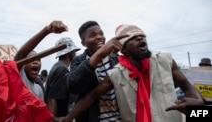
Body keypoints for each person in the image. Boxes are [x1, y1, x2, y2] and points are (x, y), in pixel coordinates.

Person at [60, 24, 205, 122]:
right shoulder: (117, 73)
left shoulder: (165, 61)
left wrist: (198, 109)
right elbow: (91, 96)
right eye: (133, 38)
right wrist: (68, 118)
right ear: (123, 50)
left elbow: (188, 89)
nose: (140, 38)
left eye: (142, 35)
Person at [65, 21, 128, 122]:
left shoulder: (116, 58)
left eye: (101, 34)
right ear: (83, 43)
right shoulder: (78, 61)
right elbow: (73, 86)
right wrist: (99, 54)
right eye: (92, 35)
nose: (99, 37)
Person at [14, 20, 68, 100]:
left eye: (38, 59)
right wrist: (47, 30)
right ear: (23, 64)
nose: (35, 61)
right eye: (30, 59)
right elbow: (21, 54)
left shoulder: (39, 89)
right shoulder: (20, 77)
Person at [44, 37, 80, 117]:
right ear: (69, 53)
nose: (74, 54)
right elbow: (52, 99)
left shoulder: (57, 67)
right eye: (73, 51)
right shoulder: (62, 70)